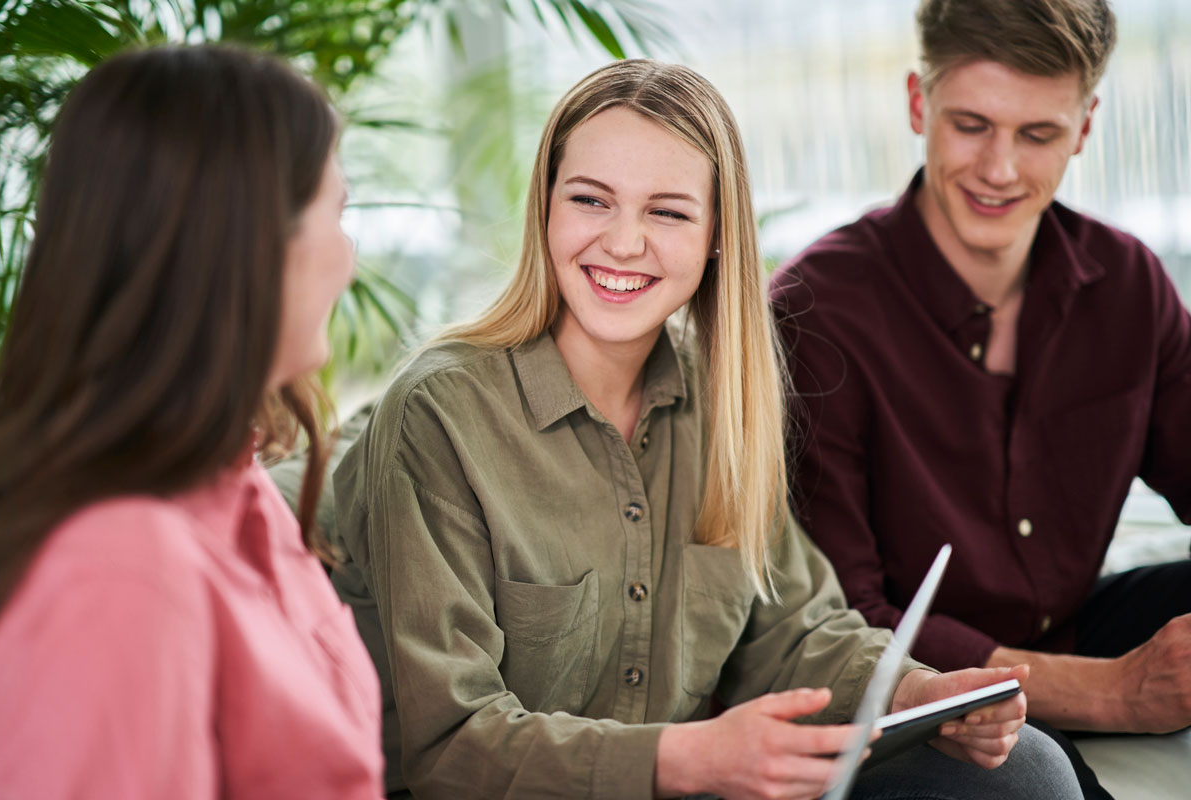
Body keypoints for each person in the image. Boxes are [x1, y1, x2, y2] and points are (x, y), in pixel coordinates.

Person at [330, 58, 1079, 799]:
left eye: (668, 211)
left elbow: (794, 629)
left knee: (1028, 771)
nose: (624, 243)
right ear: (546, 209)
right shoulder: (441, 414)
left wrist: (917, 692)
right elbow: (449, 743)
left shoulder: (722, 404)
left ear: (717, 234)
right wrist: (687, 759)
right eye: (592, 201)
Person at [769, 0, 1191, 780]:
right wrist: (1114, 695)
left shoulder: (1130, 284)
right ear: (917, 103)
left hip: (1071, 625)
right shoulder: (815, 312)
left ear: (1086, 127)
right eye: (971, 125)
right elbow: (840, 624)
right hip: (921, 683)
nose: (1000, 170)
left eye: (1038, 135)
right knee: (1039, 777)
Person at [0, 45, 383, 798]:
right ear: (246, 242)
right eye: (336, 214)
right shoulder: (119, 567)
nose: (349, 261)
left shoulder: (240, 483)